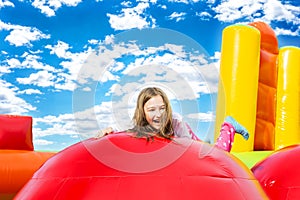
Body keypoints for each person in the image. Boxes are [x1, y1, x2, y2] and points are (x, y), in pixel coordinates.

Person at [96, 87, 249, 152]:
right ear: (142, 112)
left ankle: (229, 125)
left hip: (187, 140)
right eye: (151, 110)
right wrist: (108, 132)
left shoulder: (176, 121)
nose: (158, 114)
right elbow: (122, 133)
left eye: (162, 108)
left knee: (219, 154)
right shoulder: (138, 123)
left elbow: (189, 149)